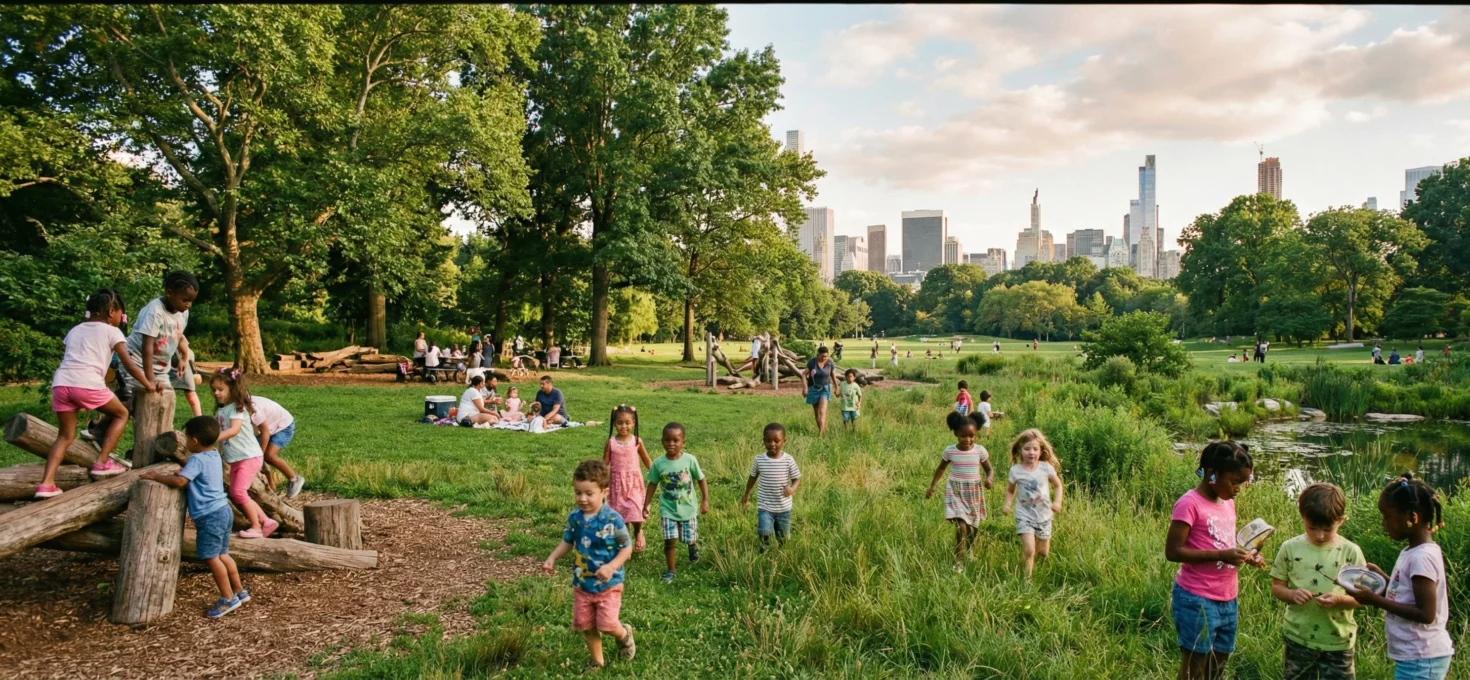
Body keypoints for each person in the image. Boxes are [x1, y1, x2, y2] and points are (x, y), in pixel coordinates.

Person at [36, 289, 160, 498]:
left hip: (61, 383)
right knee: (121, 413)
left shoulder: (75, 330)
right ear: (111, 311)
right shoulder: (112, 332)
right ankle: (102, 462)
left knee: (65, 436)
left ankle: (46, 484)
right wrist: (147, 383)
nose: (122, 318)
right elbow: (128, 364)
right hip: (87, 383)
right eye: (121, 314)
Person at [1165, 440, 1267, 680]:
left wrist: (1247, 554)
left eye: (1244, 482)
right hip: (1196, 598)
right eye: (1234, 481)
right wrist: (1221, 555)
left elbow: (1223, 543)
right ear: (1212, 474)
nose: (1239, 488)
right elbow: (1173, 551)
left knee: (1219, 662)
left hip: (1227, 598)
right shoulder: (1189, 504)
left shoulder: (1228, 503)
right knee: (1194, 666)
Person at [1344, 474, 1453, 680]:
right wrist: (1383, 579)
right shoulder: (1412, 551)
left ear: (1412, 517)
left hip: (1422, 657)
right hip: (1416, 657)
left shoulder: (1421, 557)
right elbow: (1404, 593)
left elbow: (1425, 614)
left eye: (1387, 517)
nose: (1384, 523)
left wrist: (1375, 600)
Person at [140, 416, 248, 618]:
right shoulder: (214, 455)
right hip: (223, 510)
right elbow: (196, 476)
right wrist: (185, 472)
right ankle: (239, 591)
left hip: (210, 515)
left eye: (186, 439)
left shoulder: (196, 459)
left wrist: (156, 477)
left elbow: (180, 481)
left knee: (211, 557)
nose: (186, 443)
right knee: (223, 554)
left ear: (194, 441)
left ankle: (227, 598)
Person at [541, 460, 637, 672]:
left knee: (608, 624)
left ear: (604, 492)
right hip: (583, 583)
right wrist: (552, 557)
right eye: (578, 493)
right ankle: (597, 661)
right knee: (586, 625)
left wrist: (612, 567)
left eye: (589, 493)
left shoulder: (613, 519)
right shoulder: (575, 518)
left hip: (609, 583)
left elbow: (626, 548)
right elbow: (568, 541)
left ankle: (624, 635)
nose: (582, 499)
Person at [1270, 482, 1365, 680]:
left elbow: (1362, 598)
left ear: (1341, 521)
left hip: (1339, 639)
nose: (1319, 535)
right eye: (1312, 528)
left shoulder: (1351, 552)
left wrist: (1339, 600)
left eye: (1327, 529)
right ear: (1302, 517)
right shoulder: (1290, 548)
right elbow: (1277, 587)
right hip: (1298, 638)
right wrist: (1292, 594)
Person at [210, 368, 277, 539]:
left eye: (220, 389)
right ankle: (266, 521)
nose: (216, 393)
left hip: (249, 456)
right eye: (214, 390)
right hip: (237, 459)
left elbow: (233, 430)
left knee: (238, 493)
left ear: (232, 389)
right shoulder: (221, 410)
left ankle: (256, 527)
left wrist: (212, 438)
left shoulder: (237, 409)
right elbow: (224, 434)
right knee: (236, 492)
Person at [926, 412, 994, 572]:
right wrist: (933, 486)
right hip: (956, 491)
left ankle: (969, 549)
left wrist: (989, 479)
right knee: (961, 527)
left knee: (974, 527)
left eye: (972, 436)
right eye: (963, 436)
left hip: (974, 492)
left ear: (976, 433)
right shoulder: (950, 451)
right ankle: (959, 562)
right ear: (955, 433)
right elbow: (941, 468)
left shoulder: (980, 451)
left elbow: (989, 469)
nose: (968, 440)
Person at [643, 422, 708, 584]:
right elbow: (652, 484)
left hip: (688, 508)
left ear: (683, 442)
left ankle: (692, 545)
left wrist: (705, 500)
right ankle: (671, 570)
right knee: (670, 541)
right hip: (668, 509)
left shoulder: (689, 460)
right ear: (662, 441)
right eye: (667, 440)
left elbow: (701, 479)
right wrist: (646, 504)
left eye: (675, 440)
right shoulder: (658, 464)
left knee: (688, 537)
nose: (671, 444)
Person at [1002, 428, 1064, 579]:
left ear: (1041, 450)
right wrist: (1007, 505)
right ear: (1020, 450)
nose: (1031, 452)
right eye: (1027, 449)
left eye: (1035, 449)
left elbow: (1057, 486)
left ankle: (1029, 561)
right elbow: (1010, 490)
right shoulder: (1016, 471)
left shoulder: (1045, 468)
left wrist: (1057, 502)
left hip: (1044, 516)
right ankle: (1026, 580)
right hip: (1024, 515)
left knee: (1043, 553)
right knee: (1029, 549)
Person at [741, 422, 801, 553]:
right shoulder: (759, 460)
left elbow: (796, 478)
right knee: (764, 531)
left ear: (784, 441)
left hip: (783, 507)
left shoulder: (788, 460)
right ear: (763, 441)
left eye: (776, 441)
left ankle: (781, 554)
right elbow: (752, 477)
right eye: (768, 441)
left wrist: (792, 489)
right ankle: (764, 549)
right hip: (765, 506)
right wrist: (747, 493)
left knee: (783, 538)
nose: (772, 444)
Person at [604, 405, 653, 552]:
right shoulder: (611, 443)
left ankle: (638, 532)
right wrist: (601, 482)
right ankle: (625, 544)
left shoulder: (637, 441)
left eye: (627, 423)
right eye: (619, 423)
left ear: (633, 423)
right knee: (621, 514)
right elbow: (604, 464)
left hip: (634, 483)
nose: (623, 426)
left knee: (636, 510)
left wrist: (656, 475)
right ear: (614, 423)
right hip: (617, 484)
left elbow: (647, 461)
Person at [249, 394, 306, 499]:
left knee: (269, 455)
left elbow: (265, 432)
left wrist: (260, 454)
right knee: (252, 453)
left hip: (283, 425)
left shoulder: (252, 407)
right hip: (266, 427)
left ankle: (294, 478)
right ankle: (271, 485)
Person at [804, 346, 837, 435]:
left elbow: (833, 375)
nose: (825, 358)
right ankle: (821, 429)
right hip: (813, 388)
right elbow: (804, 374)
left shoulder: (830, 363)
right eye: (823, 356)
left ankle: (820, 434)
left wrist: (836, 387)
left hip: (825, 388)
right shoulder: (812, 362)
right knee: (816, 412)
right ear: (818, 355)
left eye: (826, 356)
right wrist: (805, 388)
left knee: (822, 411)